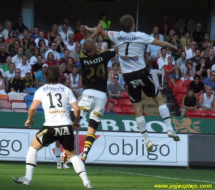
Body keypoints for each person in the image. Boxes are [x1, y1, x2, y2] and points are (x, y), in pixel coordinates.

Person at [86, 14, 180, 152]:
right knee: (159, 100)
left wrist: (90, 29)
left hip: (129, 77)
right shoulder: (141, 35)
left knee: (137, 111)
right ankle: (169, 129)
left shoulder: (116, 35)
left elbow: (101, 31)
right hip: (141, 73)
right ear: (133, 25)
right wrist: (173, 47)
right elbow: (162, 44)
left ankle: (147, 140)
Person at [13, 66, 94, 189]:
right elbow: (77, 109)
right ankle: (87, 182)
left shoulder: (42, 90)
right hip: (66, 126)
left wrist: (29, 119)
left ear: (46, 77)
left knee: (33, 148)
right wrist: (76, 121)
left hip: (50, 126)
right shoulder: (66, 89)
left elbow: (33, 108)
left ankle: (28, 178)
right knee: (73, 155)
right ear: (59, 77)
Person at [69, 24, 116, 163]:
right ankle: (84, 153)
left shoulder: (83, 56)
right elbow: (117, 49)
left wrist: (94, 32)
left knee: (72, 119)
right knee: (92, 128)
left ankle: (69, 149)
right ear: (96, 48)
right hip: (101, 96)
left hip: (88, 93)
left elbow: (86, 45)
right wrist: (101, 31)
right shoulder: (104, 54)